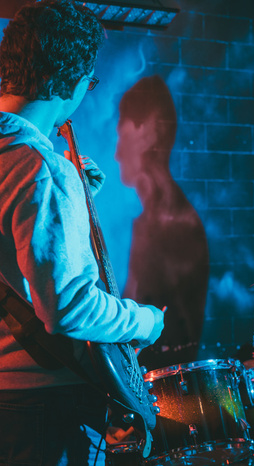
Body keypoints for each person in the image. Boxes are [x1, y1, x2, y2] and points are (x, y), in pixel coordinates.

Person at [0, 1, 164, 465]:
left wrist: (72, 200)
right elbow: (69, 308)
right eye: (88, 83)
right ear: (70, 80)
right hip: (41, 404)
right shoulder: (38, 168)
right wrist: (146, 321)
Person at [116, 75, 209, 370]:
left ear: (147, 132)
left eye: (122, 132)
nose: (117, 153)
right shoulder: (156, 219)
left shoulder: (172, 224)